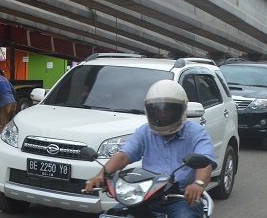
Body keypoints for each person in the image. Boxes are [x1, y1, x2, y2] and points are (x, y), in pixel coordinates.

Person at [85, 80, 216, 218]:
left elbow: (205, 162)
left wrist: (198, 184)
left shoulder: (196, 133)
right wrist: (101, 175)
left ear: (181, 109)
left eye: (168, 109)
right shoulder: (144, 131)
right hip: (145, 194)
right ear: (151, 110)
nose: (163, 113)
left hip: (181, 197)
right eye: (158, 109)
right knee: (115, 215)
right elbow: (123, 156)